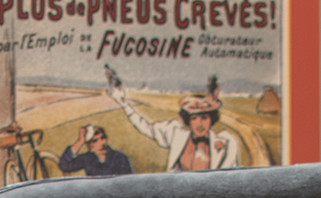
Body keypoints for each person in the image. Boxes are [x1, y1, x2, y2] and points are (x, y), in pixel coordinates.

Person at [106, 69, 272, 170]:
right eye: (194, 118)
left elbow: (234, 182)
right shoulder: (175, 133)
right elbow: (146, 127)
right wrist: (123, 102)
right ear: (188, 120)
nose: (200, 124)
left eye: (205, 117)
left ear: (212, 119)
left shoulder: (228, 143)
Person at [59, 125, 133, 178]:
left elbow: (128, 184)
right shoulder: (88, 159)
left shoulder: (120, 158)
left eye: (103, 138)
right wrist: (80, 141)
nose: (102, 143)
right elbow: (64, 165)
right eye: (95, 141)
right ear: (89, 145)